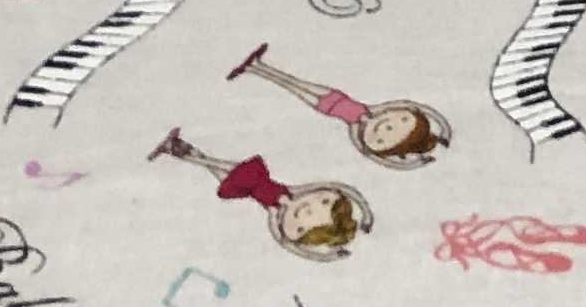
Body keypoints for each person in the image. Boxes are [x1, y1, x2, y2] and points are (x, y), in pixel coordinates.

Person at [151, 129, 371, 259]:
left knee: (212, 165)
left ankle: (176, 149)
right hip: (254, 176)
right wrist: (366, 214)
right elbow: (339, 187)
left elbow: (287, 243)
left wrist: (328, 256)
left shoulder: (274, 212)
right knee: (213, 163)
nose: (306, 211)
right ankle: (178, 148)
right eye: (323, 202)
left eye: (301, 226)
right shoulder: (293, 192)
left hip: (244, 188)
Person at [222, 42, 449, 168]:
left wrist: (414, 163)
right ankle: (259, 67)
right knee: (296, 82)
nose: (385, 128)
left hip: (327, 108)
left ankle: (254, 69)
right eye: (401, 120)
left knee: (293, 88)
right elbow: (410, 104)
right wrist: (444, 132)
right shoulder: (375, 109)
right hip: (335, 96)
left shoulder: (355, 129)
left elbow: (371, 154)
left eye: (381, 140)